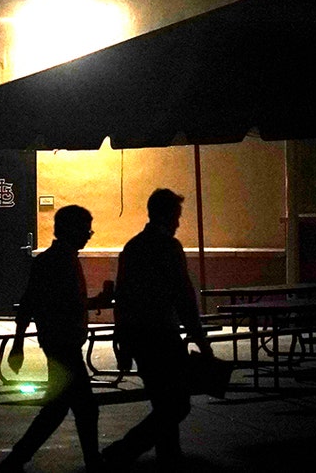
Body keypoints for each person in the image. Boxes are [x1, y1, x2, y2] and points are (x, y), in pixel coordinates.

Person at [101, 189, 213, 469]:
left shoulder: (132, 247)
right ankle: (124, 451)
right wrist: (199, 338)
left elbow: (123, 298)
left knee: (163, 400)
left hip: (138, 336)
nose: (178, 223)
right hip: (163, 334)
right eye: (177, 216)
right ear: (167, 215)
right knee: (177, 403)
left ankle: (167, 455)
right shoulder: (169, 247)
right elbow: (183, 295)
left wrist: (123, 342)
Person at [0, 205, 109, 473]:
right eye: (86, 230)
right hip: (63, 344)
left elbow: (37, 303)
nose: (89, 235)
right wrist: (18, 344)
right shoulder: (59, 261)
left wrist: (19, 344)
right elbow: (37, 303)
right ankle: (92, 463)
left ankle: (15, 461)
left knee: (59, 409)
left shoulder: (56, 259)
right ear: (72, 230)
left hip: (59, 342)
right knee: (82, 408)